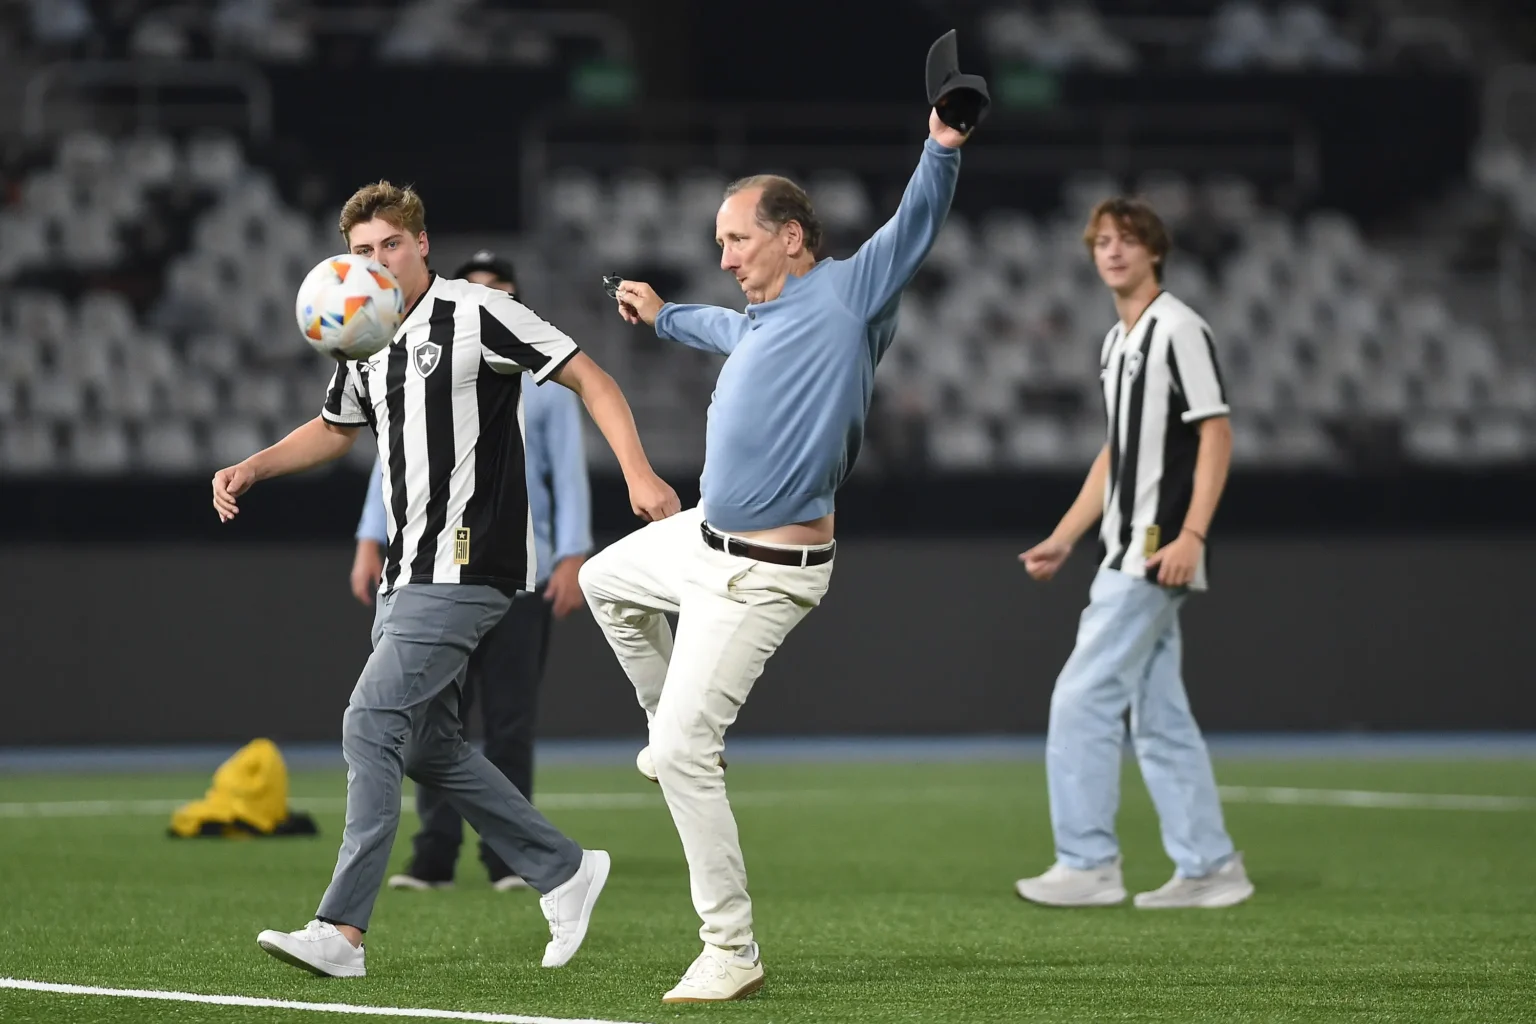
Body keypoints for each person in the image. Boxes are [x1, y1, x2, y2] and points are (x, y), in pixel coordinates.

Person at [211, 181, 680, 978]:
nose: (376, 261)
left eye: (389, 245)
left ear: (421, 245)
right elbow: (334, 431)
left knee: (369, 721)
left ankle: (342, 931)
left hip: (470, 562)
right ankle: (563, 868)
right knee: (430, 744)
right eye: (361, 251)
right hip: (408, 569)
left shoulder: (478, 312)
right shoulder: (364, 333)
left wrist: (638, 474)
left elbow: (592, 378)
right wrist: (254, 465)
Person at [577, 107, 971, 1003]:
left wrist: (941, 146)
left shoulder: (847, 293)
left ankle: (730, 949)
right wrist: (664, 312)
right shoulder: (759, 319)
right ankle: (667, 728)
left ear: (792, 238)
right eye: (719, 241)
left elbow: (917, 220)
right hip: (702, 537)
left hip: (762, 574)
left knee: (685, 753)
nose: (725, 256)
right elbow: (720, 328)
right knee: (606, 580)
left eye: (736, 239)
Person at [1013, 197, 1254, 910]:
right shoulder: (1118, 343)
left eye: (1127, 240)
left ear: (1155, 251)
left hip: (1153, 551)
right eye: (1102, 242)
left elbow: (1216, 435)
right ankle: (1211, 866)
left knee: (1082, 699)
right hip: (1124, 546)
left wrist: (1193, 536)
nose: (1113, 252)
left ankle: (1088, 861)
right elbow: (1118, 455)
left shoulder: (1180, 329)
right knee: (1159, 718)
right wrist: (1064, 534)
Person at [345, 250, 593, 893]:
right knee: (432, 726)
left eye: (500, 289)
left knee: (508, 717)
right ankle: (436, 855)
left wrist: (572, 554)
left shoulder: (540, 378)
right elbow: (396, 460)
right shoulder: (416, 353)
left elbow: (566, 474)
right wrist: (370, 538)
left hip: (515, 565)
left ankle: (509, 862)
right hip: (430, 561)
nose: (487, 298)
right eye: (478, 286)